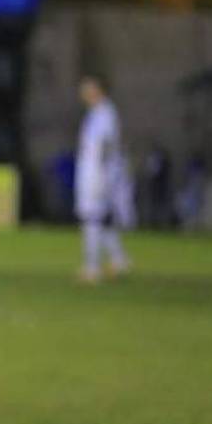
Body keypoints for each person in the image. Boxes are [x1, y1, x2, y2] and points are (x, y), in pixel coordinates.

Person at [75, 75, 133, 283]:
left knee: (91, 218)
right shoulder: (96, 113)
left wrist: (102, 175)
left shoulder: (105, 113)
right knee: (103, 218)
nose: (83, 94)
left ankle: (91, 267)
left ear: (97, 90)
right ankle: (119, 259)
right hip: (94, 172)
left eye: (87, 89)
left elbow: (107, 145)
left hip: (98, 174)